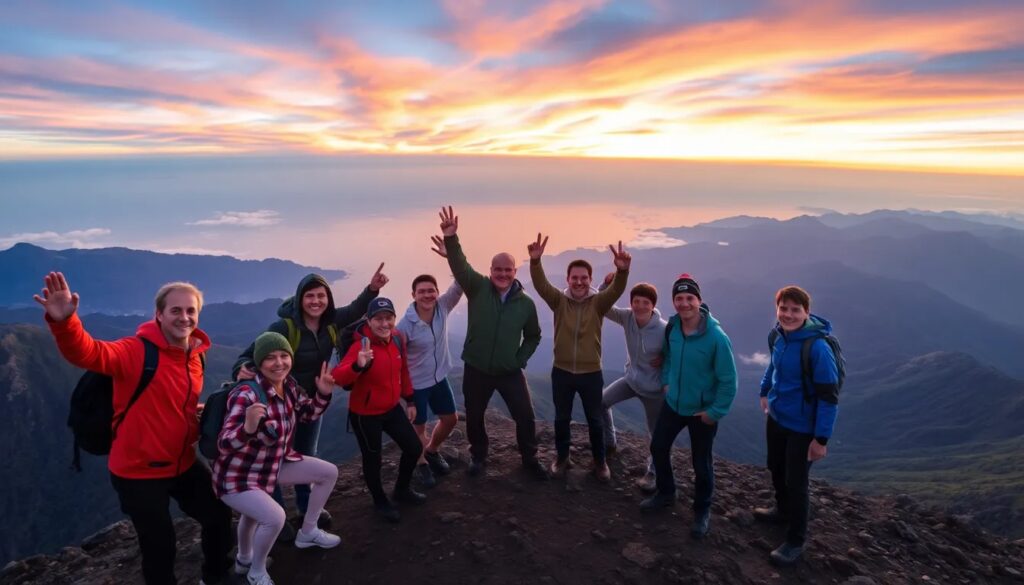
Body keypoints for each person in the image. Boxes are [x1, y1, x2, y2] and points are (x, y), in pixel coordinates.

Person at [35, 272, 233, 585]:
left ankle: (216, 576)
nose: (184, 317)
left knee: (218, 516)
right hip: (137, 472)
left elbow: (172, 401)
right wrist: (65, 322)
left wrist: (198, 413)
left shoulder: (195, 355)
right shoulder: (135, 351)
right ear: (159, 314)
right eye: (176, 310)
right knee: (159, 545)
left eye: (191, 310)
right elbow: (88, 352)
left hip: (181, 460)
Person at [232, 266, 388, 534]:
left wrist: (373, 289)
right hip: (279, 405)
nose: (316, 301)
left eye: (321, 296)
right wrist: (241, 368)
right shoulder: (284, 327)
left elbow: (354, 310)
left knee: (306, 457)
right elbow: (249, 354)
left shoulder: (330, 323)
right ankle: (276, 519)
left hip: (313, 402)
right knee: (275, 462)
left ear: (328, 298)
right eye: (310, 296)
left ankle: (305, 506)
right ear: (300, 299)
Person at [214, 332, 341, 585]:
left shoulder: (289, 385)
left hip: (272, 464)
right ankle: (255, 570)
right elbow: (224, 443)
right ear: (259, 362)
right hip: (236, 476)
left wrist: (323, 394)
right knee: (273, 517)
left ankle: (307, 532)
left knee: (328, 473)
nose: (279, 362)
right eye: (270, 358)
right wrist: (247, 428)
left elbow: (307, 414)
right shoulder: (246, 395)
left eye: (284, 355)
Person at [438, 206, 548, 479]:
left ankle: (529, 458)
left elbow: (534, 335)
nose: (503, 274)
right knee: (474, 416)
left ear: (515, 271)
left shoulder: (526, 304)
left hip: (509, 370)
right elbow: (460, 266)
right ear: (490, 270)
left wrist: (519, 359)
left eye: (508, 270)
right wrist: (452, 238)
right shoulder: (477, 287)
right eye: (498, 269)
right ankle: (478, 456)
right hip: (476, 367)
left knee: (525, 416)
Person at [641, 274, 737, 541]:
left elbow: (729, 380)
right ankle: (666, 493)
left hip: (701, 411)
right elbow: (669, 358)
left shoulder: (716, 337)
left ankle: (701, 511)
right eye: (679, 298)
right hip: (674, 403)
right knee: (658, 446)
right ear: (674, 301)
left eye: (689, 298)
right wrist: (667, 382)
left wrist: (714, 412)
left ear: (699, 301)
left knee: (701, 462)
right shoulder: (673, 328)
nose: (684, 304)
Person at [527, 234, 630, 481]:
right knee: (561, 418)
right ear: (568, 279)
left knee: (595, 419)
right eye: (575, 278)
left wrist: (623, 272)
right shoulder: (559, 301)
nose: (579, 282)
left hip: (591, 373)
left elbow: (615, 290)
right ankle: (563, 458)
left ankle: (600, 462)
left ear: (590, 280)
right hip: (561, 371)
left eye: (584, 278)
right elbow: (541, 286)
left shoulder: (599, 302)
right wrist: (535, 262)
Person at [754, 286, 839, 567]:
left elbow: (828, 396)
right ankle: (782, 510)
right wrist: (765, 390)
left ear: (806, 312)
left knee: (797, 482)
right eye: (784, 308)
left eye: (795, 309)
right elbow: (774, 367)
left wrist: (822, 439)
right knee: (776, 468)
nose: (788, 314)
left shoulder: (817, 348)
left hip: (803, 427)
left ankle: (795, 540)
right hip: (778, 417)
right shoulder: (778, 336)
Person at [332, 297, 425, 522]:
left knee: (413, 448)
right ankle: (380, 501)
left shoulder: (396, 339)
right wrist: (358, 365)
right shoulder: (360, 345)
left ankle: (401, 490)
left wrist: (410, 400)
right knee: (373, 459)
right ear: (369, 320)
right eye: (379, 319)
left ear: (394, 318)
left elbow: (403, 371)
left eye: (389, 318)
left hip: (392, 408)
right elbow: (338, 376)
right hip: (365, 415)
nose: (384, 324)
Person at [396, 237, 463, 488]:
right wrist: (405, 394)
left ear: (437, 292)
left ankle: (432, 450)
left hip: (439, 377)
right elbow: (397, 360)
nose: (427, 294)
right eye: (421, 291)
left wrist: (452, 256)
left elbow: (460, 283)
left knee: (451, 419)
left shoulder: (443, 306)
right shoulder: (405, 327)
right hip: (415, 386)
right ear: (413, 295)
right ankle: (422, 463)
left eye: (431, 290)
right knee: (418, 429)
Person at [597, 275, 667, 492]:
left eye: (645, 302)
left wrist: (666, 358)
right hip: (631, 380)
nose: (640, 306)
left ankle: (654, 473)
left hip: (654, 390)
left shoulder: (664, 329)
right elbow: (605, 307)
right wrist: (606, 286)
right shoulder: (627, 317)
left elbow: (677, 351)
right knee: (601, 402)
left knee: (656, 433)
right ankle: (610, 442)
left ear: (653, 305)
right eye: (636, 301)